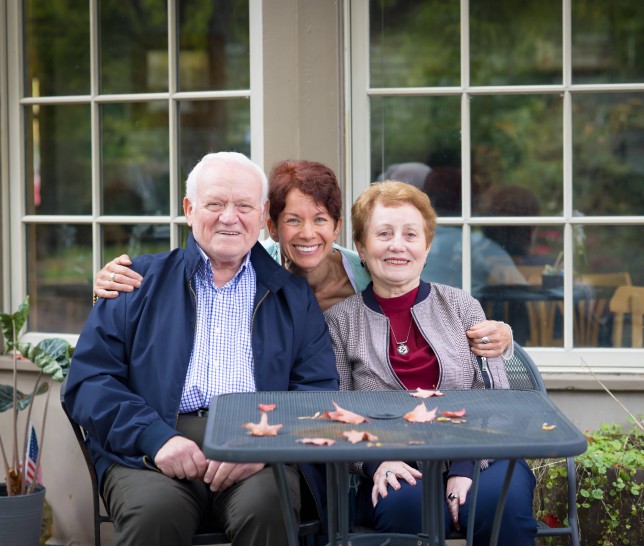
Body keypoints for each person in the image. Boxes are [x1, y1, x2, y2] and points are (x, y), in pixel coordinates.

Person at [64, 152, 339, 546]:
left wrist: (261, 445)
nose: (230, 217)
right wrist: (155, 438)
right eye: (215, 204)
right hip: (153, 444)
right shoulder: (134, 282)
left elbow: (316, 390)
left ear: (262, 216)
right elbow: (89, 381)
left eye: (244, 206)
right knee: (154, 515)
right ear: (190, 210)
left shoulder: (292, 296)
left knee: (268, 507)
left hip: (258, 442)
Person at [94, 159, 513, 357]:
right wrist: (106, 290)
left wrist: (501, 339)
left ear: (336, 227)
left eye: (321, 219)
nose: (308, 233)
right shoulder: (249, 272)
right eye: (293, 220)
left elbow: (434, 315)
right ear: (271, 226)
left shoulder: (371, 270)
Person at [323, 180, 537, 545]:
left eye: (410, 234)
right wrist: (376, 462)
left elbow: (498, 397)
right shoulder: (340, 322)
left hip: (482, 456)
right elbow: (337, 411)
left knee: (499, 508)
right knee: (404, 509)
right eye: (384, 233)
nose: (397, 245)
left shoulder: (462, 307)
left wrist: (464, 467)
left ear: (427, 245)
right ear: (361, 245)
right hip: (393, 464)